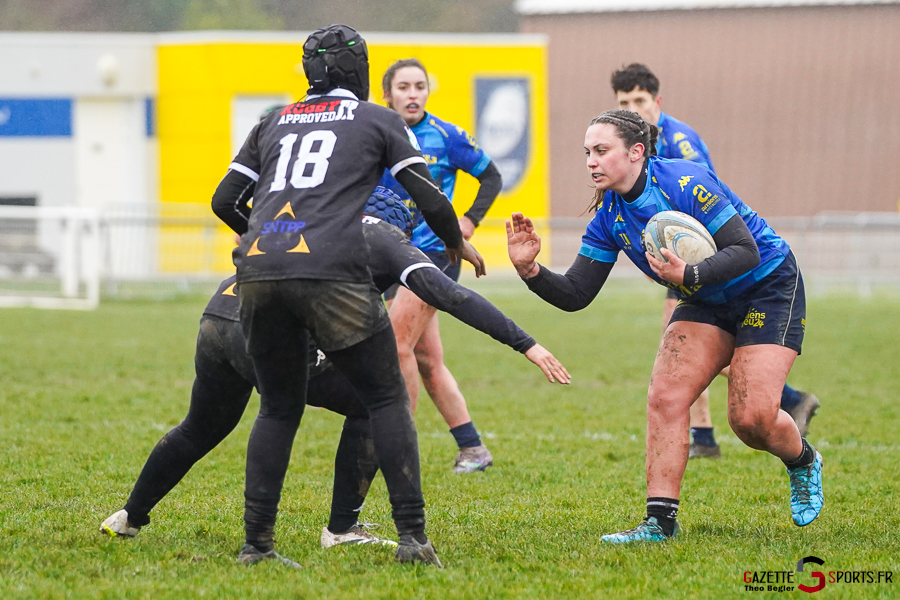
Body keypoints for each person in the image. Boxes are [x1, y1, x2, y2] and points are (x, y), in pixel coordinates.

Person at [100, 189, 569, 552]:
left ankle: (129, 516)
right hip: (269, 329)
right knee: (372, 401)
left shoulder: (314, 214)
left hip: (218, 316)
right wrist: (526, 343)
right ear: (398, 222)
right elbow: (450, 295)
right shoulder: (382, 236)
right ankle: (339, 529)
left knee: (200, 427)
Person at [209, 24, 486, 567]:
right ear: (359, 73)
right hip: (332, 267)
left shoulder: (273, 119)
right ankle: (412, 539)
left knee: (278, 407)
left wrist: (265, 238)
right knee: (384, 396)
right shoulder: (379, 119)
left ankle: (256, 545)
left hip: (259, 272)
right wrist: (458, 244)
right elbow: (427, 197)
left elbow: (224, 200)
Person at [506, 109, 824, 542]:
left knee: (750, 419)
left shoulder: (683, 180)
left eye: (601, 151)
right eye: (587, 153)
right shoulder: (610, 218)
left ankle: (803, 461)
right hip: (706, 299)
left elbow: (745, 250)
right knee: (665, 396)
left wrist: (688, 277)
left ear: (636, 152)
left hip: (766, 285)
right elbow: (576, 294)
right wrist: (530, 270)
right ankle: (659, 524)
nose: (591, 162)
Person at [611, 63, 820, 459]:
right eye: (624, 102)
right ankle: (710, 432)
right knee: (685, 351)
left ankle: (723, 429)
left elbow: (708, 206)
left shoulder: (681, 142)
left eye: (639, 100)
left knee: (694, 349)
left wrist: (691, 262)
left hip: (709, 265)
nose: (634, 109)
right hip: (678, 267)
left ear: (657, 102)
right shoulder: (628, 147)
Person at [378, 58, 504, 474]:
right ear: (388, 94)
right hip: (387, 255)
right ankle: (473, 449)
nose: (413, 94)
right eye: (404, 87)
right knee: (427, 358)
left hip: (435, 256)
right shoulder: (374, 133)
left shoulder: (446, 136)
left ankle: (398, 449)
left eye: (419, 86)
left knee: (396, 344)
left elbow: (491, 177)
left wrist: (467, 222)